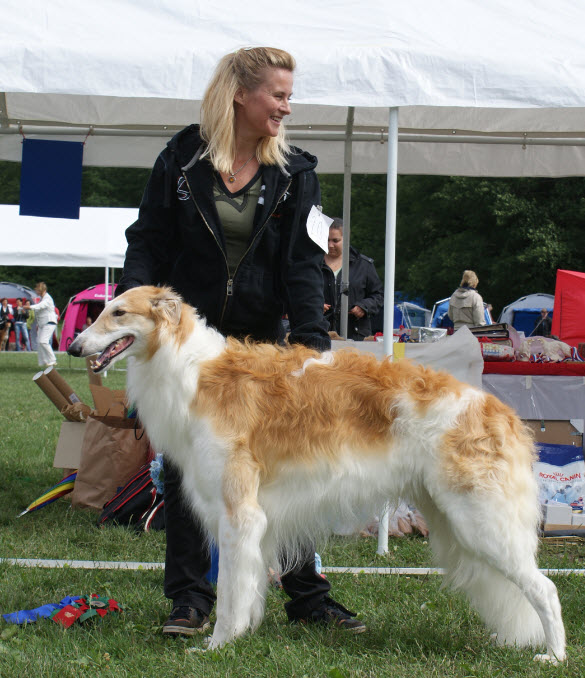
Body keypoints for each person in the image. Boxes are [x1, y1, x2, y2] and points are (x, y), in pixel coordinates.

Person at [116, 47, 365, 638]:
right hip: (189, 341)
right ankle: (189, 599)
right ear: (239, 94)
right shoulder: (180, 158)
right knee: (183, 464)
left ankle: (308, 596)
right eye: (277, 94)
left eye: (287, 95)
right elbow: (146, 239)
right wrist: (135, 305)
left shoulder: (296, 172)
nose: (286, 105)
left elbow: (305, 263)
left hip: (261, 347)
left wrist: (311, 343)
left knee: (283, 466)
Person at [322, 219, 384, 340]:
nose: (330, 245)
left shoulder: (364, 265)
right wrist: (314, 304)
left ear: (346, 240)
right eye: (327, 239)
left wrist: (364, 306)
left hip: (356, 335)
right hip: (320, 334)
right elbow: (300, 293)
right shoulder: (312, 264)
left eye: (335, 240)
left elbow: (379, 296)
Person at [30, 282, 58, 366]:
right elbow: (39, 309)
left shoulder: (47, 298)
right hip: (42, 324)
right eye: (37, 290)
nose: (37, 292)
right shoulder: (42, 298)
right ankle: (43, 361)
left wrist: (30, 307)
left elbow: (41, 306)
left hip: (49, 322)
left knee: (43, 341)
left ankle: (52, 360)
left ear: (43, 290)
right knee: (39, 342)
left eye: (39, 290)